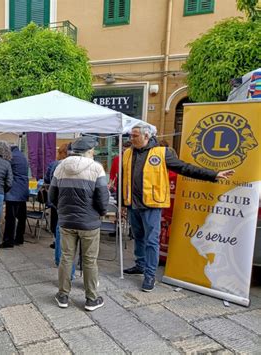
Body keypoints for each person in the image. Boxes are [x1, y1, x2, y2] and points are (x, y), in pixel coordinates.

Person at [122, 123, 234, 292]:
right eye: (131, 135)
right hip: (133, 204)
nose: (131, 138)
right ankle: (140, 264)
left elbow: (184, 168)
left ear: (146, 136)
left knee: (152, 240)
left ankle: (150, 274)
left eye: (135, 135)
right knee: (138, 237)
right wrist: (123, 203)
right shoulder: (128, 153)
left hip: (152, 204)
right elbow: (124, 178)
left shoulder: (161, 153)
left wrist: (213, 174)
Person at [50, 136, 110, 311]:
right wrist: (101, 213)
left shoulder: (60, 167)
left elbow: (52, 196)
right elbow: (102, 197)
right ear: (90, 151)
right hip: (89, 222)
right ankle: (91, 298)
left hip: (66, 221)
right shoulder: (96, 168)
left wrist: (62, 210)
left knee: (66, 258)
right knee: (90, 261)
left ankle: (62, 295)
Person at [1, 144, 29, 248]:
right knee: (21, 216)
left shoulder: (11, 157)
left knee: (10, 217)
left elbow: (6, 172)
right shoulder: (22, 156)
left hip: (13, 191)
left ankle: (8, 241)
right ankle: (19, 238)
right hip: (23, 190)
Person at [45, 143, 71, 249]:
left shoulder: (54, 164)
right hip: (69, 199)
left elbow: (48, 179)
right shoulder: (74, 164)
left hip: (56, 197)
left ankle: (56, 242)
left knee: (56, 222)